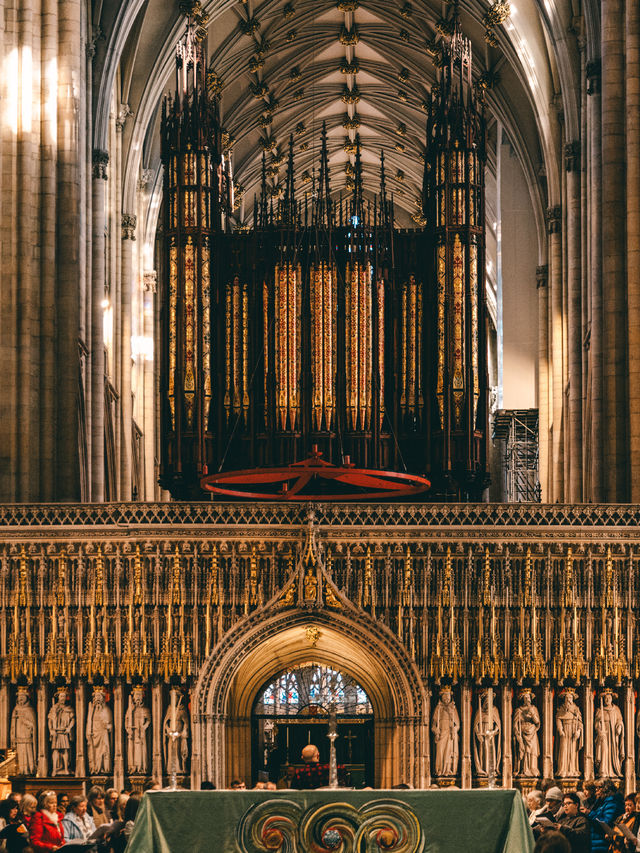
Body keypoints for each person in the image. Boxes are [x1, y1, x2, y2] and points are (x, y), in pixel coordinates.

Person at [584, 778, 624, 853]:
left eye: (598, 787)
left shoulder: (612, 803)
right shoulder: (601, 802)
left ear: (606, 788)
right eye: (596, 787)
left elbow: (606, 823)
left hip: (603, 844)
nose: (596, 790)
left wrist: (589, 813)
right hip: (597, 843)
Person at [594, 691, 624, 780]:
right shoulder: (600, 710)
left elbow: (620, 720)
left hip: (613, 734)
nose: (607, 700)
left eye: (609, 698)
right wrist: (599, 730)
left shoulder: (616, 709)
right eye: (606, 698)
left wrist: (619, 727)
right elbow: (596, 723)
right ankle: (603, 771)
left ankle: (614, 770)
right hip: (604, 734)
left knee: (613, 751)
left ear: (612, 699)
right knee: (604, 751)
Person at [431, 687, 460, 777]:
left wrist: (454, 729)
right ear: (442, 697)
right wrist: (436, 731)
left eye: (448, 697)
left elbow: (457, 725)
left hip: (450, 735)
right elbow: (433, 725)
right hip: (441, 734)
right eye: (445, 696)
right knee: (440, 752)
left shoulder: (453, 709)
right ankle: (439, 770)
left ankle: (448, 769)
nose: (447, 699)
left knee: (449, 752)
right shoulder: (438, 709)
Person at [513, 689, 541, 777]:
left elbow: (537, 722)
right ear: (523, 699)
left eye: (528, 697)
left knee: (532, 750)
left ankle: (533, 769)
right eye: (525, 697)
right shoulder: (519, 710)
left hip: (532, 732)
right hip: (523, 732)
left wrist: (532, 714)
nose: (527, 699)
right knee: (525, 751)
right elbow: (515, 724)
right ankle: (525, 769)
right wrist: (517, 734)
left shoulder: (534, 709)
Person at [47, 690, 75, 776]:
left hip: (64, 732)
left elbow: (72, 719)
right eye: (61, 696)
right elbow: (50, 720)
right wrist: (51, 730)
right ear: (58, 697)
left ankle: (66, 769)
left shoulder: (69, 709)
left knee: (65, 750)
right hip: (56, 732)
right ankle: (54, 769)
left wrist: (69, 728)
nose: (63, 698)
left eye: (64, 696)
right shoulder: (54, 708)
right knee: (55, 750)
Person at [86, 690, 113, 776]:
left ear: (103, 698)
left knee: (104, 751)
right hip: (94, 734)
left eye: (99, 697)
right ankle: (95, 768)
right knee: (94, 752)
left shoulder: (106, 710)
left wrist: (108, 726)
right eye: (96, 697)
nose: (98, 699)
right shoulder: (92, 710)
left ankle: (104, 768)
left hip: (103, 733)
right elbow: (89, 721)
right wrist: (89, 732)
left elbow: (111, 725)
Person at [10, 689, 37, 776]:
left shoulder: (29, 709)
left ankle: (30, 770)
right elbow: (12, 725)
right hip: (18, 736)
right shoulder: (16, 709)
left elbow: (33, 725)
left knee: (28, 753)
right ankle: (21, 770)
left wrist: (25, 721)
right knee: (20, 755)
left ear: (26, 698)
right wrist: (13, 737)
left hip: (27, 736)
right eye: (19, 697)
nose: (21, 699)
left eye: (22, 697)